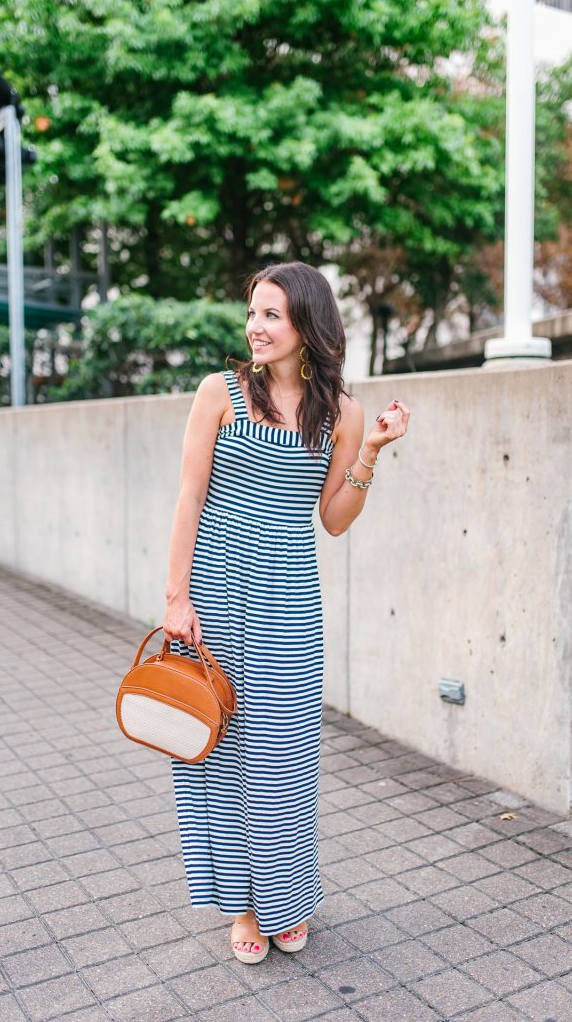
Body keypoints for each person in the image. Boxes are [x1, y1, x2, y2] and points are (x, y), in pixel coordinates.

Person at [162, 261, 410, 964]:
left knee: (283, 759)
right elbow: (189, 497)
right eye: (252, 312)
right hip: (211, 597)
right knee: (217, 755)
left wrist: (369, 452)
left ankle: (286, 900)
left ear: (307, 324)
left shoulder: (343, 413)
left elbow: (333, 518)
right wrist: (176, 598)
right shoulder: (220, 393)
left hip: (288, 604)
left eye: (272, 314)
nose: (256, 326)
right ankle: (241, 908)